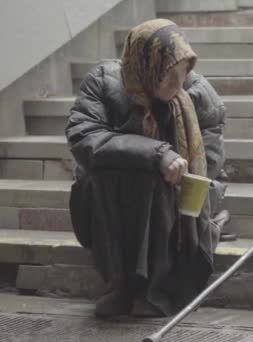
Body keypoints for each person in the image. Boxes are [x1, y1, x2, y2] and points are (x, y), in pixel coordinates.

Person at [65, 19, 233, 318]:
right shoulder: (103, 81)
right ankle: (120, 284)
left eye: (183, 74)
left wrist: (173, 166)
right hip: (113, 190)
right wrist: (156, 154)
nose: (177, 85)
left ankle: (155, 289)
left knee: (155, 183)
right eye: (168, 75)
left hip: (173, 191)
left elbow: (209, 156)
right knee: (104, 180)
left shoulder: (196, 91)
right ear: (146, 62)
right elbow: (84, 137)